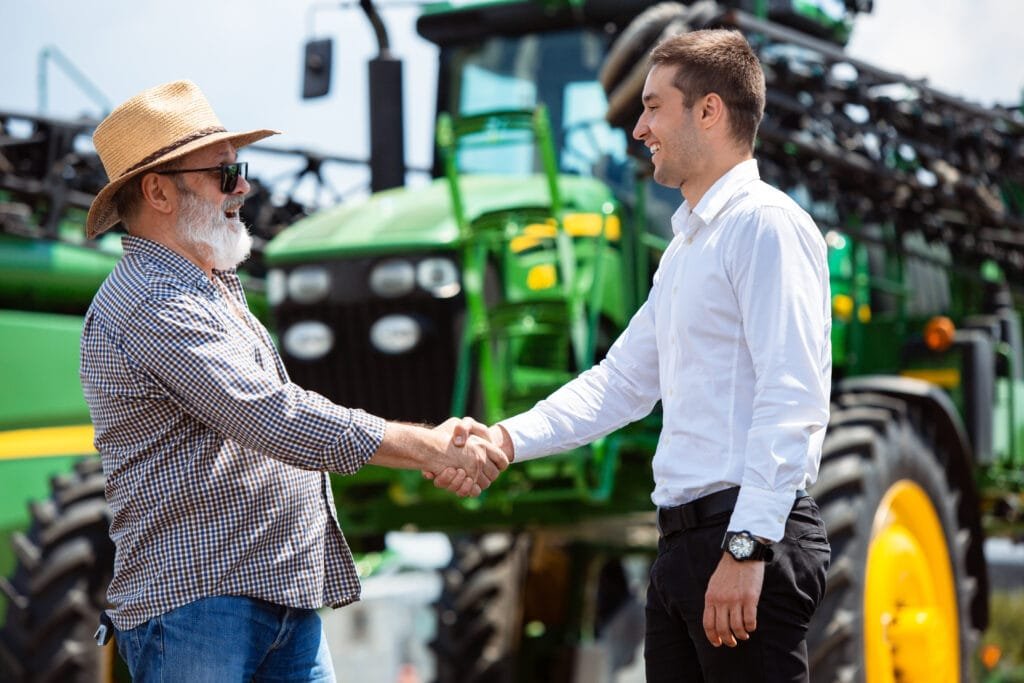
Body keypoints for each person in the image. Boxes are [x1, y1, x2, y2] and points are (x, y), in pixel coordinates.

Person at [434, 29, 832, 682]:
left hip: (741, 539)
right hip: (682, 549)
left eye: (652, 107)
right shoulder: (683, 252)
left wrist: (746, 546)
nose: (638, 128)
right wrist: (505, 439)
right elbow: (618, 384)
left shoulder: (766, 225)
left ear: (709, 110)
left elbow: (794, 395)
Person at [79, 80, 507, 682]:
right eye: (225, 174)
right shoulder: (154, 301)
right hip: (200, 607)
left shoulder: (209, 288)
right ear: (157, 191)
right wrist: (427, 446)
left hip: (268, 597)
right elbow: (270, 416)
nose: (244, 188)